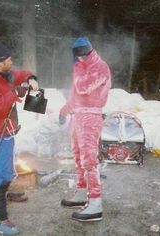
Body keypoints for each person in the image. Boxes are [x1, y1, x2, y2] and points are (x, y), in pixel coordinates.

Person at [0, 41, 39, 235]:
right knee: (3, 176)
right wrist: (14, 93)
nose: (12, 61)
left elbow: (20, 74)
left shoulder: (5, 75)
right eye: (8, 59)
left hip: (7, 132)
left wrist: (31, 78)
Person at [59, 36, 111, 221]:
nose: (78, 59)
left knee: (89, 160)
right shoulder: (83, 65)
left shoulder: (99, 66)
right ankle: (82, 191)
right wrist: (65, 110)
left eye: (79, 56)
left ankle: (95, 203)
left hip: (91, 116)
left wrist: (79, 67)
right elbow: (75, 95)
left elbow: (82, 87)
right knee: (78, 156)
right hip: (78, 115)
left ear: (84, 53)